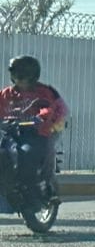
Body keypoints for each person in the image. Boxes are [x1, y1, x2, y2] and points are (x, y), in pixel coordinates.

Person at [1, 55, 68, 193]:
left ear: (33, 76)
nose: (20, 79)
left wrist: (42, 117)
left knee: (28, 153)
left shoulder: (44, 92)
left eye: (24, 75)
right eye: (16, 74)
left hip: (36, 133)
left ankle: (34, 190)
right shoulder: (6, 94)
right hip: (10, 135)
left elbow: (49, 107)